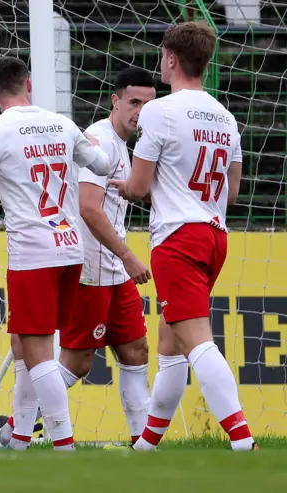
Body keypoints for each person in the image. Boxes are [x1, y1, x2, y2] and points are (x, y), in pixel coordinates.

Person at [0, 56, 111, 450]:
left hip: (32, 254)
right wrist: (93, 145)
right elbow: (102, 165)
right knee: (24, 345)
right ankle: (17, 439)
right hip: (70, 249)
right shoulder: (63, 124)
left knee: (38, 355)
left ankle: (63, 444)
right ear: (28, 84)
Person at [0, 67, 156, 450]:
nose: (141, 112)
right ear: (115, 101)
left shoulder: (123, 144)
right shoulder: (99, 140)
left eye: (148, 104)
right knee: (75, 363)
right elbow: (89, 209)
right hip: (93, 270)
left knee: (135, 350)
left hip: (115, 273)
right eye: (134, 103)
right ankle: (15, 431)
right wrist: (128, 256)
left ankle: (144, 447)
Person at [109, 21, 253, 451]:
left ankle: (244, 440)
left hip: (178, 239)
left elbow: (137, 187)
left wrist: (118, 184)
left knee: (196, 340)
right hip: (214, 234)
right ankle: (146, 445)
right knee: (170, 345)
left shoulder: (159, 111)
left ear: (171, 59)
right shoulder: (225, 117)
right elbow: (234, 189)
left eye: (161, 57)